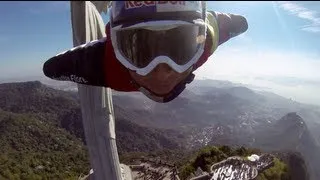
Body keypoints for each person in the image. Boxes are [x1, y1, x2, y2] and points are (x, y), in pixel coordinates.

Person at [43, 1, 248, 103]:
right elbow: (230, 24)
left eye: (180, 46)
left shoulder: (106, 66)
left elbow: (52, 67)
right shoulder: (205, 43)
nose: (161, 72)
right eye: (139, 48)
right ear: (116, 47)